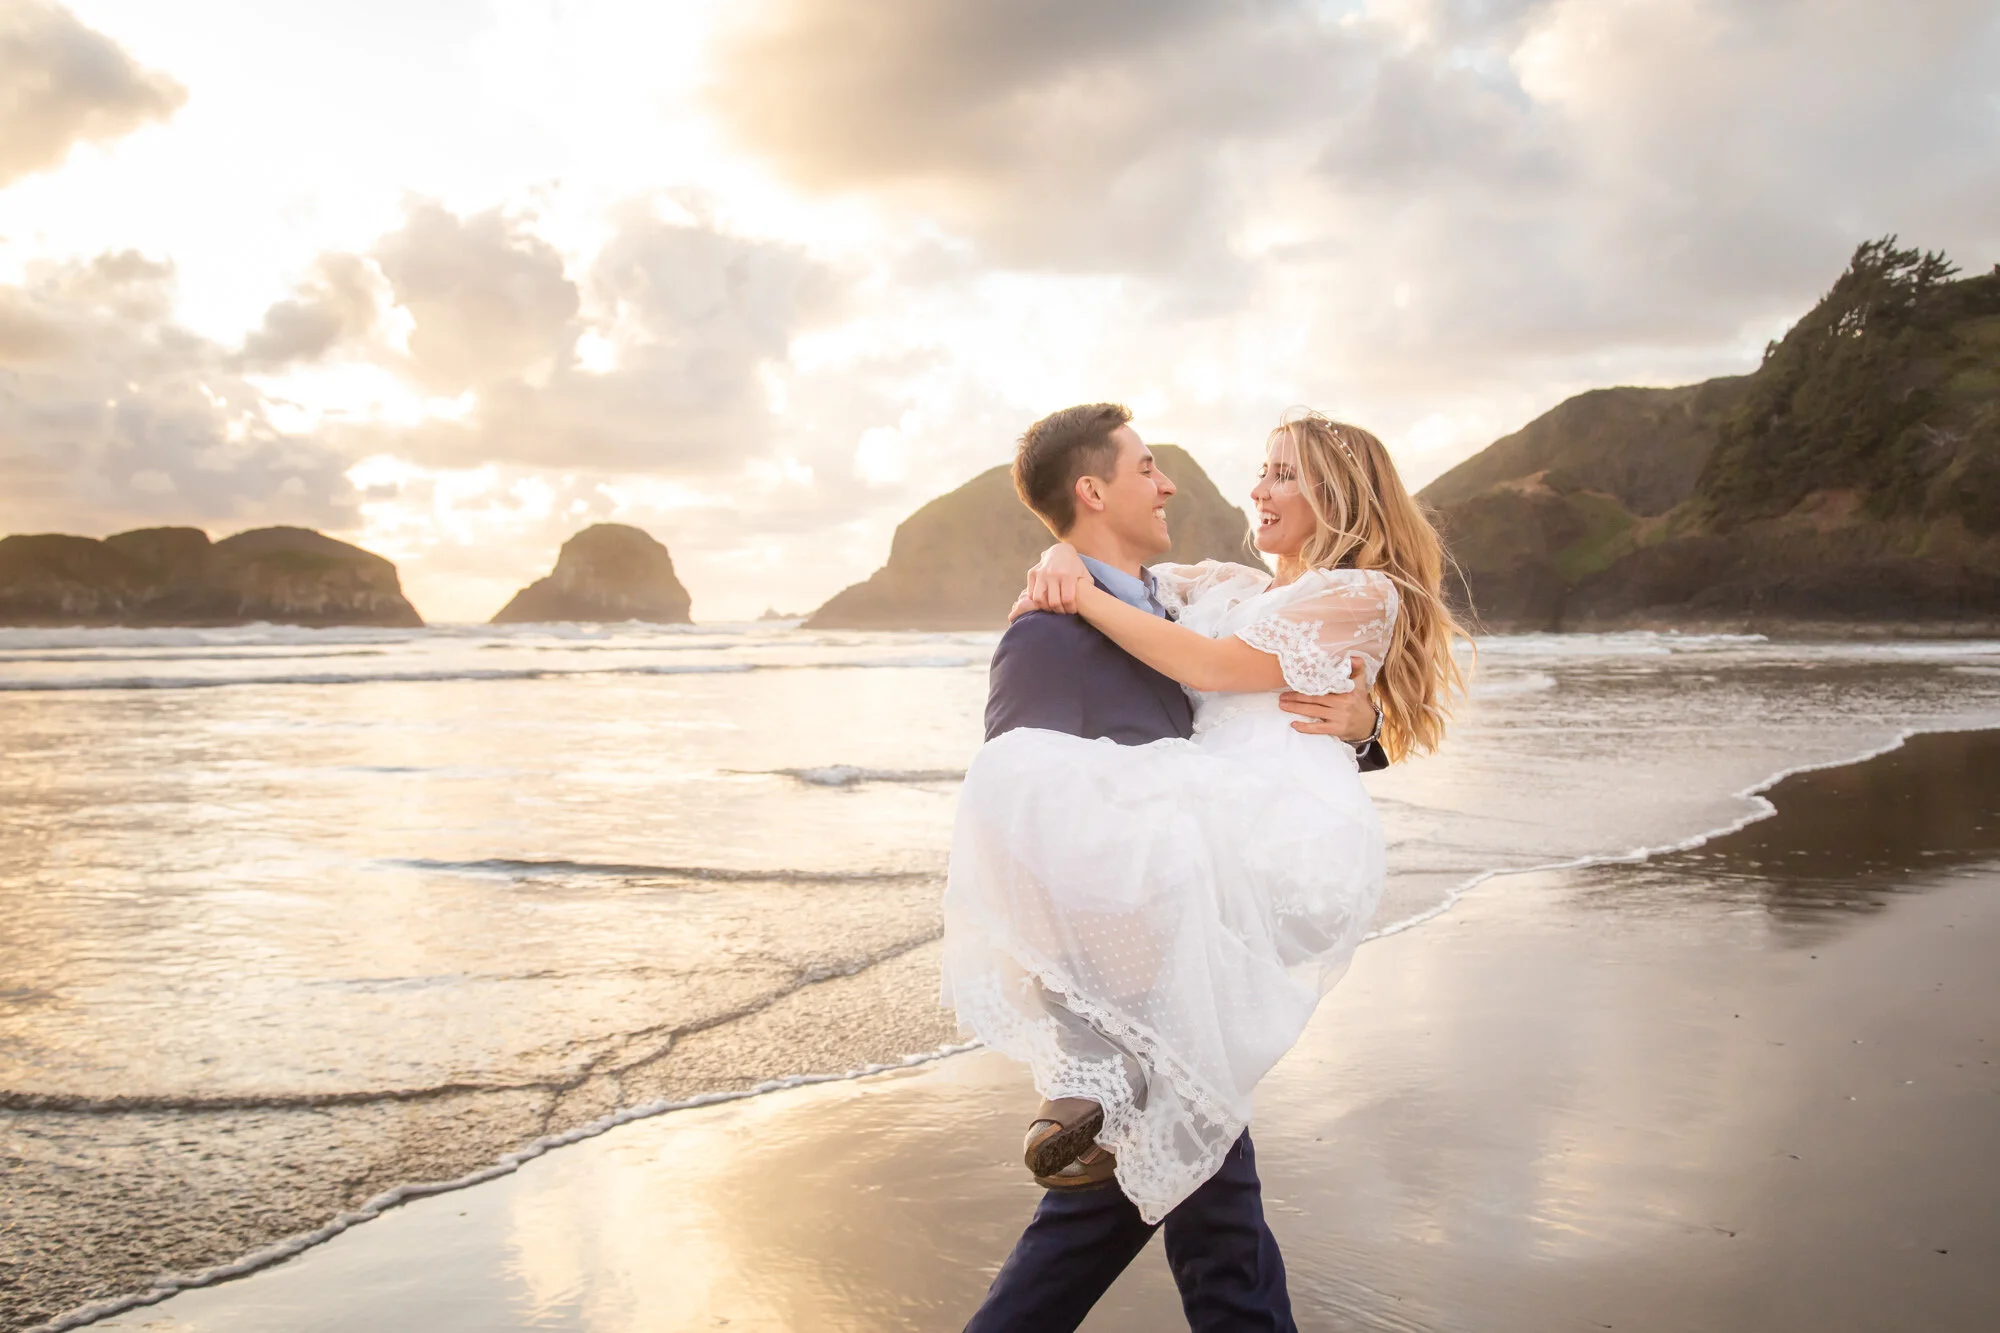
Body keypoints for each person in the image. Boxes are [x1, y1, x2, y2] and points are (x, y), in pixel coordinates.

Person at [943, 403, 1465, 1331]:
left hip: (1226, 876)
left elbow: (1230, 678)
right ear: (1095, 490)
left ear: (1339, 494)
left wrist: (1367, 727)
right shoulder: (1062, 630)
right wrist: (1062, 556)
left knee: (1179, 1177)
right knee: (1198, 1184)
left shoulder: (1276, 600)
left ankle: (1090, 1111)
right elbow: (1027, 808)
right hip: (1152, 924)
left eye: (1281, 473)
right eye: (1148, 468)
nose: (1189, 485)